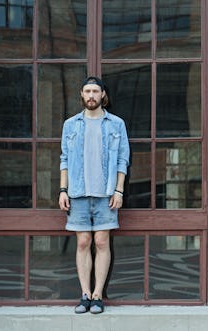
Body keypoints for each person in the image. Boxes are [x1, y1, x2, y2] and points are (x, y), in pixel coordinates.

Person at [59, 76, 130, 314]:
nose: (91, 95)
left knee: (101, 241)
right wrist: (63, 190)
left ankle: (98, 294)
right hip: (78, 192)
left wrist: (119, 190)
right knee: (83, 242)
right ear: (81, 94)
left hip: (106, 193)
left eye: (95, 91)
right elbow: (64, 159)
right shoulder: (71, 124)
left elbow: (122, 159)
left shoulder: (116, 124)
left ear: (102, 95)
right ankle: (85, 294)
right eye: (87, 91)